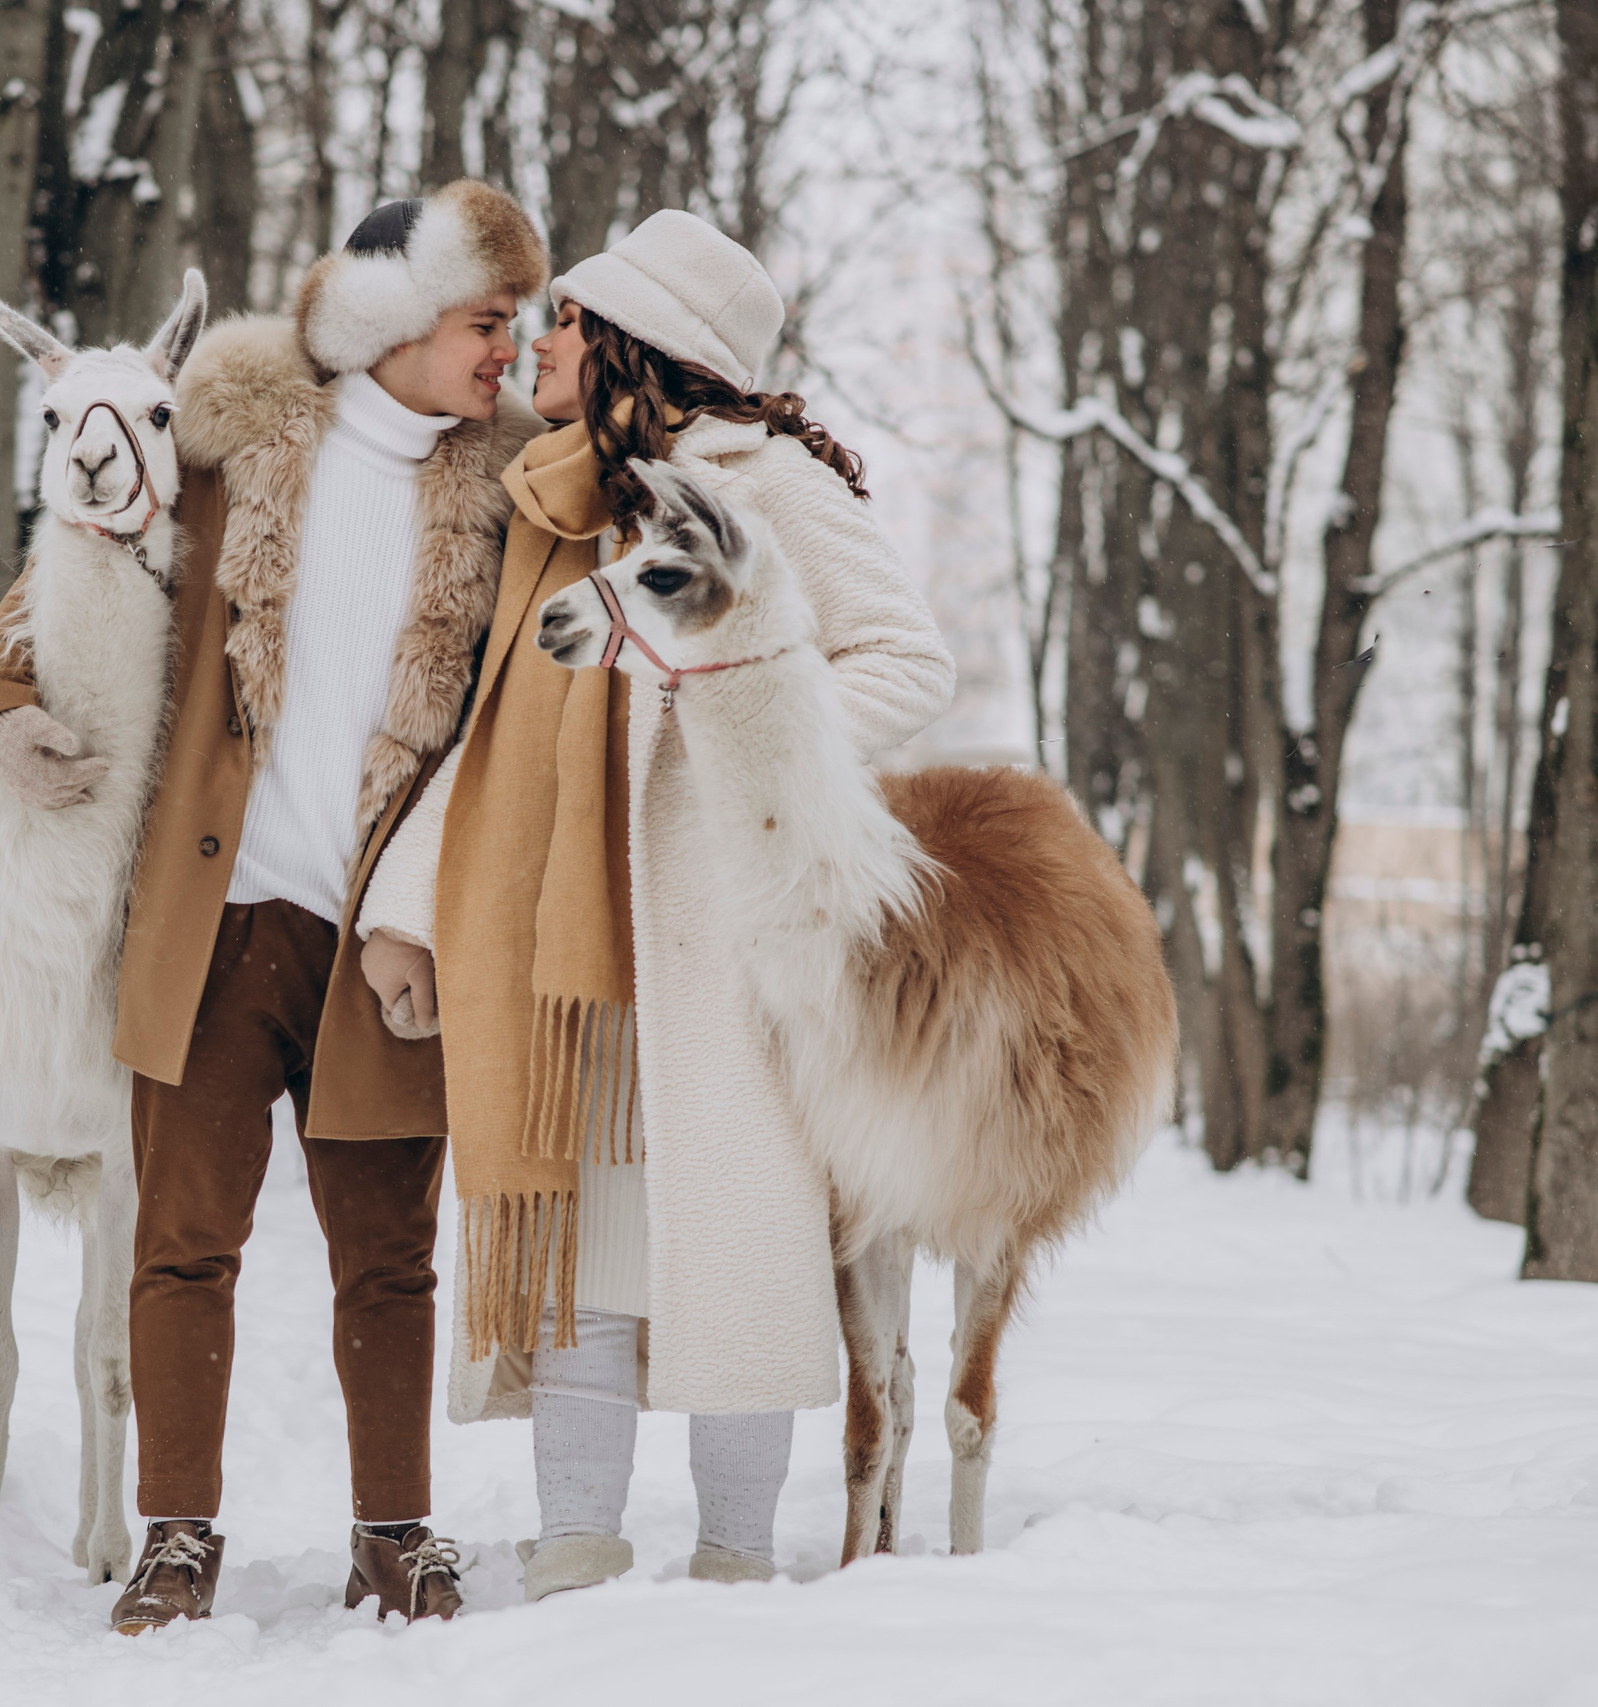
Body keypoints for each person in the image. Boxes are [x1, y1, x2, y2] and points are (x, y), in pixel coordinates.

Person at [0, 182, 547, 1632]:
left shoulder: (505, 497)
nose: (509, 349)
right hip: (218, 920)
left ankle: (393, 1535)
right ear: (402, 319)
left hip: (386, 939)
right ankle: (176, 1538)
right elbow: (85, 551)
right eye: (487, 319)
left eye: (519, 322)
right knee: (181, 1243)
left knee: (388, 1259)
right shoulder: (236, 446)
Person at [354, 209, 957, 1597]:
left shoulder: (767, 485)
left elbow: (903, 658)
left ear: (641, 344)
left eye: (569, 320)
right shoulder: (560, 503)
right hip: (565, 936)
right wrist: (407, 908)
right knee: (583, 1228)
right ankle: (578, 1540)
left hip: (727, 934)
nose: (541, 341)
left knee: (739, 1235)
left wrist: (740, 729)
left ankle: (734, 1558)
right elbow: (495, 732)